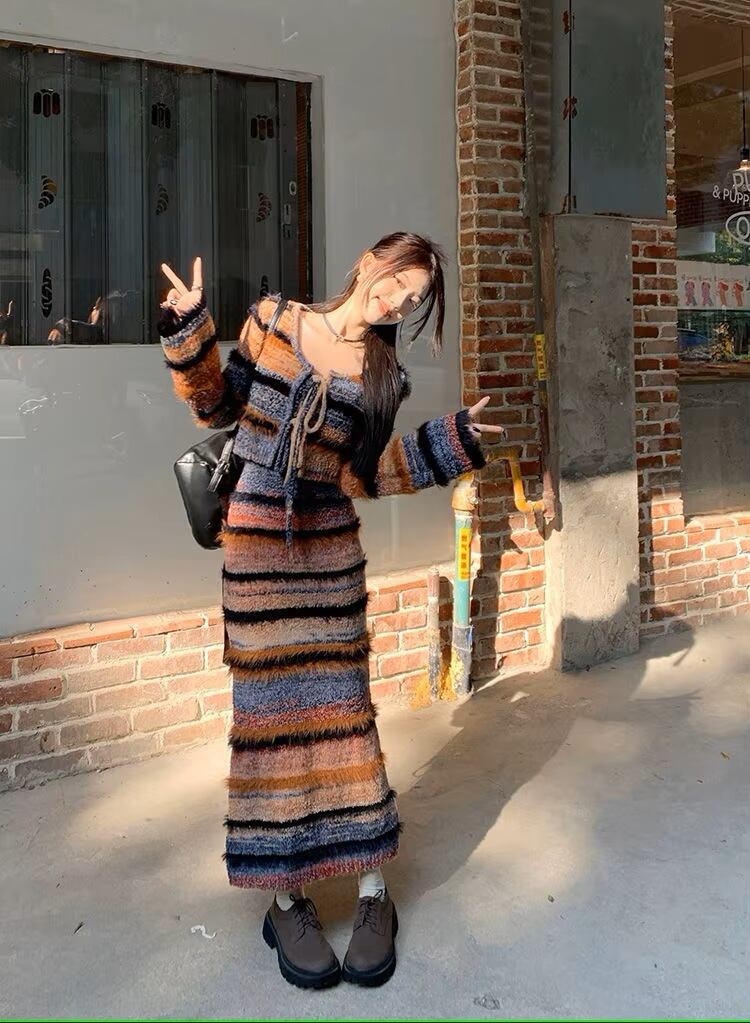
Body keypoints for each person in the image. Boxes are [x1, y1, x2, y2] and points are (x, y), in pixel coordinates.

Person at [157, 231, 502, 990]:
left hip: (330, 557)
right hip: (256, 553)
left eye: (413, 300)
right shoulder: (275, 319)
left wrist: (450, 441)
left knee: (347, 719)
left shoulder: (384, 375)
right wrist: (190, 330)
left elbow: (366, 475)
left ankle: (374, 891)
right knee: (270, 726)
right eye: (398, 281)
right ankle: (287, 900)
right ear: (370, 261)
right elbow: (215, 404)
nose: (398, 301)